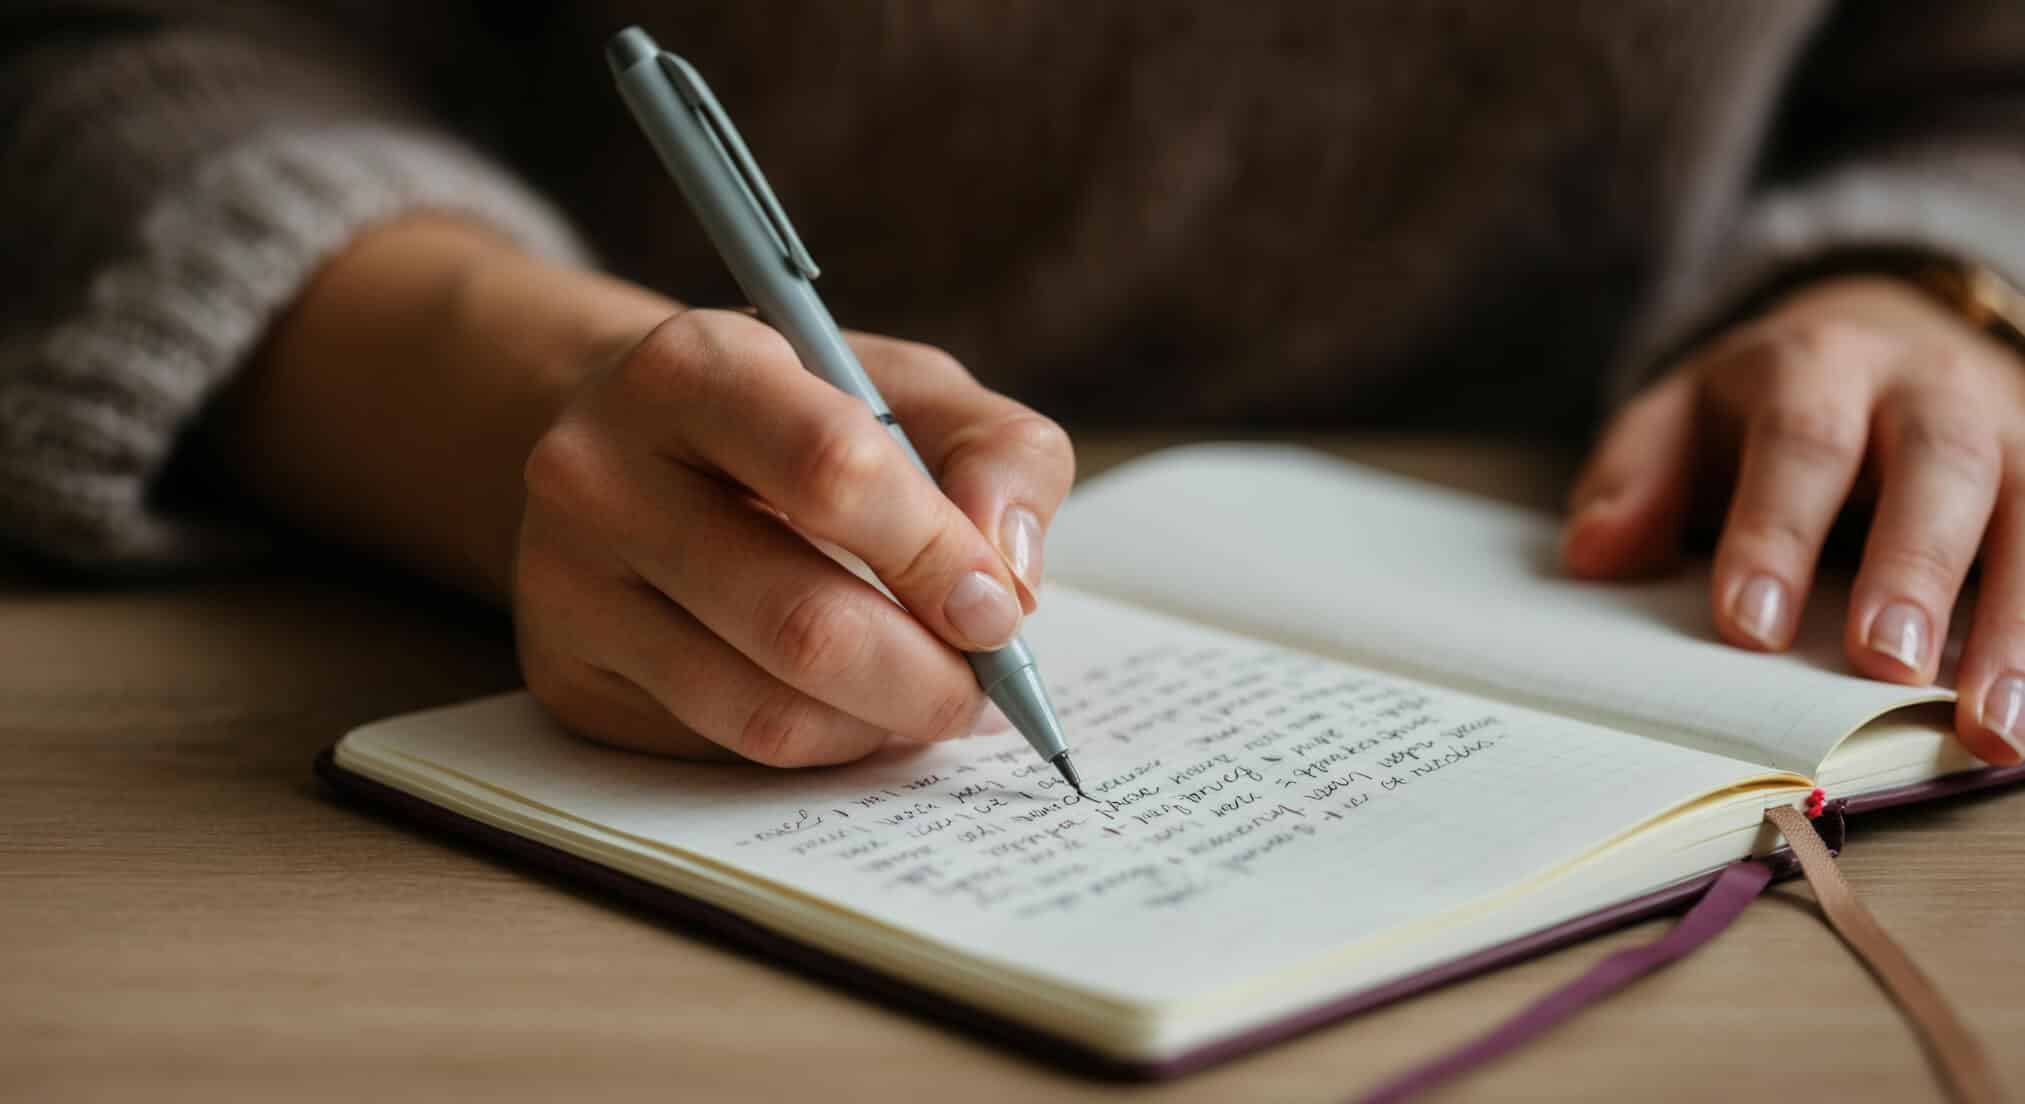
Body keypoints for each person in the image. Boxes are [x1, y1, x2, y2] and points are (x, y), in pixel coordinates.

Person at [4, 3, 2023, 768]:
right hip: (397, 619)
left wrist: (1934, 289)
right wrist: (508, 385)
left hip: (1634, 566)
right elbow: (100, 59)